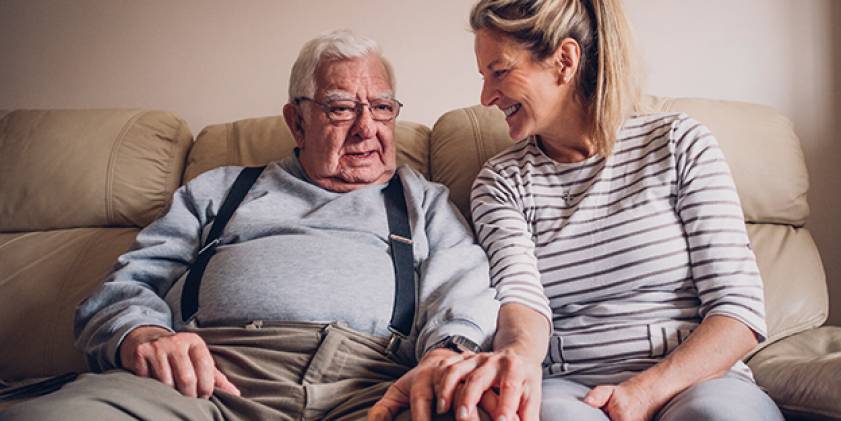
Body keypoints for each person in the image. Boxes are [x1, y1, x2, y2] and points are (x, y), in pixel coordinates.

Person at [0, 30, 499, 421]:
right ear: (296, 121)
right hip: (203, 383)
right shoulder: (218, 188)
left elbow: (464, 290)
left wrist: (446, 354)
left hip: (370, 386)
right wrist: (145, 334)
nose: (367, 128)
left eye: (382, 108)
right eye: (342, 108)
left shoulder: (423, 200)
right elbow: (126, 286)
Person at [430, 1, 787, 420]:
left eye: (500, 71)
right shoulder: (501, 182)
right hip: (569, 386)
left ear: (564, 60)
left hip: (699, 378)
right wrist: (518, 360)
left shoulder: (678, 143)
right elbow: (522, 300)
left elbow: (738, 310)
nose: (487, 96)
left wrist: (643, 392)